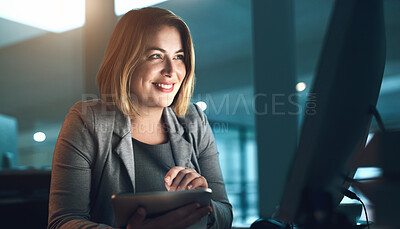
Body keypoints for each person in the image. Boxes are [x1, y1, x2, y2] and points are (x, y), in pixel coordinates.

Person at [48, 7, 233, 229]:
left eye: (179, 57)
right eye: (156, 56)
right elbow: (62, 221)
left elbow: (225, 214)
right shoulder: (87, 121)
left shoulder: (194, 121)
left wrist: (204, 204)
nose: (171, 70)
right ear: (126, 61)